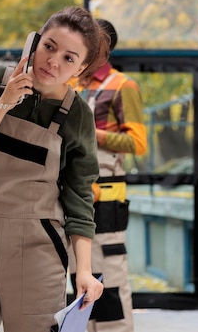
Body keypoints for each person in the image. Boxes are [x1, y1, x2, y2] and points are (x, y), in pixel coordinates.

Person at [0, 6, 109, 332]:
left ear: (82, 66)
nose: (53, 62)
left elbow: (78, 195)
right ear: (35, 42)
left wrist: (84, 270)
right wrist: (3, 103)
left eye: (69, 58)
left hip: (37, 246)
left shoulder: (77, 116)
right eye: (49, 47)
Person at [68, 18, 147, 332]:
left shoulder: (123, 86)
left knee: (110, 284)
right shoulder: (71, 85)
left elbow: (138, 143)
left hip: (107, 204)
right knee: (76, 281)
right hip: (75, 198)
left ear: (105, 48)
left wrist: (92, 133)